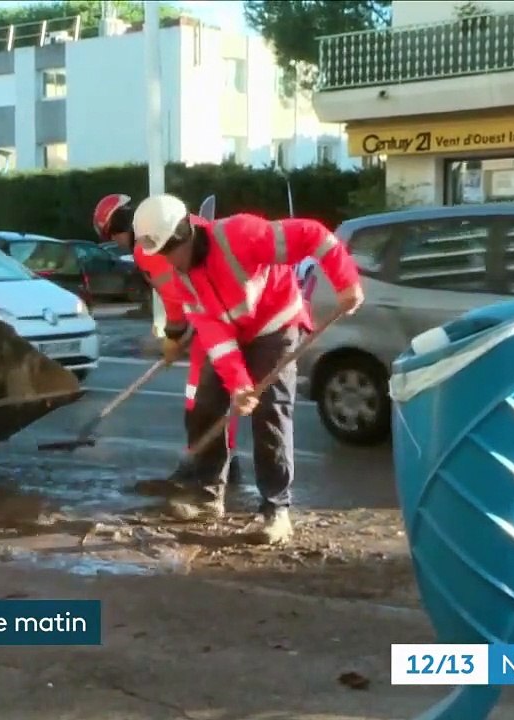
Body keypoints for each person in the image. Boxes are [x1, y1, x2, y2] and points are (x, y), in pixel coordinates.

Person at [131, 193, 364, 544]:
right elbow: (215, 334)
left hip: (275, 324)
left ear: (184, 235)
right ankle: (208, 494)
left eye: (168, 251)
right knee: (207, 403)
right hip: (233, 331)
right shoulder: (182, 276)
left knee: (270, 411)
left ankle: (275, 508)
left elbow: (314, 236)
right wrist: (238, 383)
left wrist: (346, 283)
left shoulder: (242, 234)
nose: (166, 261)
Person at [91, 194, 242, 488]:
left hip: (213, 321)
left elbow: (174, 297)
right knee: (217, 396)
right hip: (226, 313)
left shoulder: (146, 249)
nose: (117, 243)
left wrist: (173, 337)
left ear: (118, 229)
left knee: (199, 399)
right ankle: (218, 463)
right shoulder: (187, 224)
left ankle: (204, 468)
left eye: (112, 236)